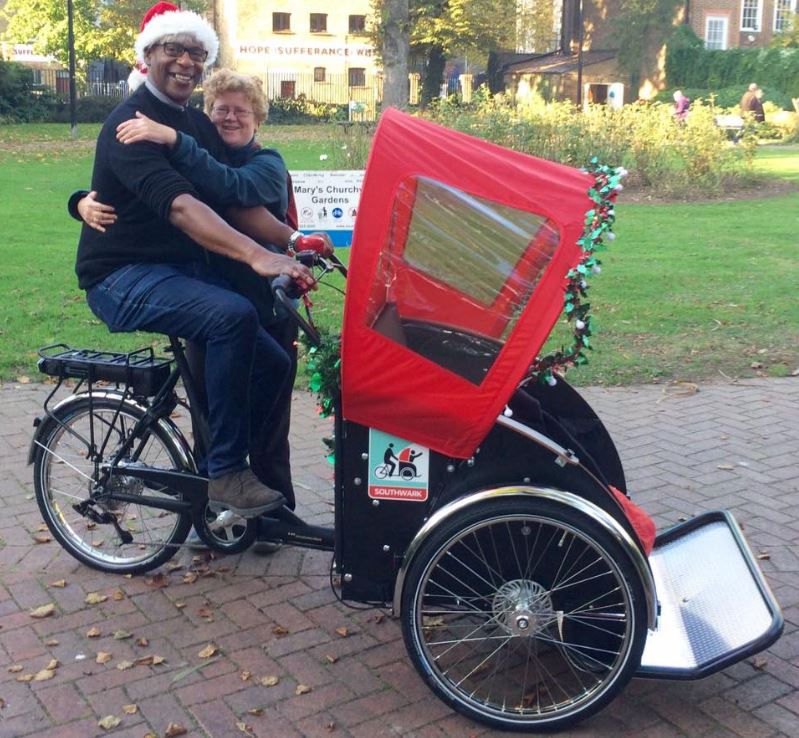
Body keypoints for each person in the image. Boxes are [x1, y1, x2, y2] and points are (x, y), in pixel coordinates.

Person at [74, 1, 316, 518]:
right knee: (231, 316)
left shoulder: (195, 127)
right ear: (148, 56)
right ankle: (225, 474)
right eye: (173, 49)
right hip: (122, 275)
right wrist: (255, 257)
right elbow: (184, 209)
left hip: (179, 272)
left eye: (196, 52)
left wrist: (293, 241)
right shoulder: (129, 124)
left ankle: (230, 468)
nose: (185, 61)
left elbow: (231, 199)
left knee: (273, 365)